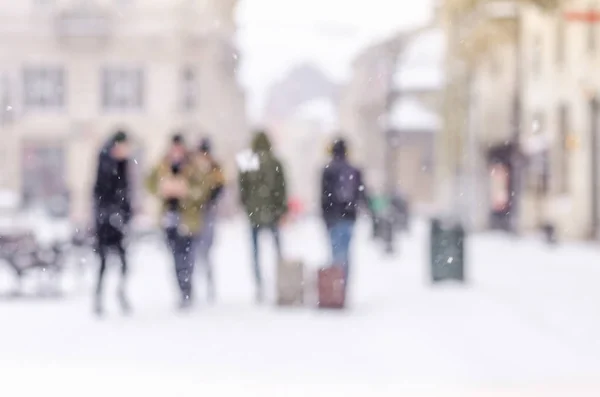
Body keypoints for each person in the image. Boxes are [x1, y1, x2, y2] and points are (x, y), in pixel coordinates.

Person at [146, 134, 218, 310]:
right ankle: (181, 290)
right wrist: (164, 189)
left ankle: (187, 289)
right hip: (169, 218)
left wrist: (186, 191)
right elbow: (149, 184)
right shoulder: (163, 166)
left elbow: (203, 189)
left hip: (188, 219)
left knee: (188, 257)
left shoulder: (193, 167)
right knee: (175, 257)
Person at [238, 130, 287, 303]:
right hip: (272, 213)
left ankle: (259, 285)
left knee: (256, 252)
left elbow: (242, 188)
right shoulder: (275, 161)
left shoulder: (248, 160)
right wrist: (281, 210)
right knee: (278, 251)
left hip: (254, 214)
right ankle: (282, 282)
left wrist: (248, 206)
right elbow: (282, 188)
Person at [92, 130, 132, 316]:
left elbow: (125, 191)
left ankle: (120, 293)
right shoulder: (106, 163)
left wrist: (126, 213)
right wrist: (110, 213)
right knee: (104, 261)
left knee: (123, 262)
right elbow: (101, 192)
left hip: (118, 220)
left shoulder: (122, 163)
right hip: (106, 222)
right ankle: (99, 299)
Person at [321, 138, 368, 287]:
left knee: (336, 253)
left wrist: (325, 218)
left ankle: (336, 287)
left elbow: (324, 197)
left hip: (333, 217)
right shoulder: (353, 170)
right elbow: (361, 194)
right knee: (346, 252)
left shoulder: (328, 170)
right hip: (349, 217)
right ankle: (344, 285)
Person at [193, 137, 225, 303]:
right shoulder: (194, 167)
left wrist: (208, 199)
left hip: (207, 213)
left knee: (205, 252)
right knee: (194, 252)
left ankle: (208, 287)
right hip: (194, 214)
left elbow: (220, 187)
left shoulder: (214, 168)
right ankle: (195, 288)